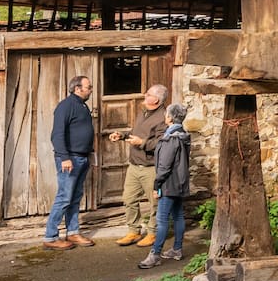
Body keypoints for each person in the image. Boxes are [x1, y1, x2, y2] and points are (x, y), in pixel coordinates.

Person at [110, 84, 169, 247]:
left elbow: (162, 143)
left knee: (154, 203)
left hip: (151, 168)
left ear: (155, 99)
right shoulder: (143, 113)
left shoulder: (163, 117)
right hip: (134, 166)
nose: (144, 95)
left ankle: (153, 233)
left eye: (148, 94)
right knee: (129, 199)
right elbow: (136, 134)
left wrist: (142, 143)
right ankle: (133, 231)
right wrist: (122, 135)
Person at [43, 75, 96, 250]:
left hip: (82, 157)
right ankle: (51, 237)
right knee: (64, 198)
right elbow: (57, 134)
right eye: (89, 87)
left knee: (75, 198)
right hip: (69, 158)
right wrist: (64, 157)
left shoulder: (83, 105)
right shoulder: (65, 106)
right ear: (77, 88)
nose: (91, 90)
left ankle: (72, 232)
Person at [139, 103, 192, 269]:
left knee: (162, 220)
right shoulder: (182, 134)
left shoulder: (171, 139)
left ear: (170, 117)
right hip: (179, 181)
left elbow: (165, 166)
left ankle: (155, 254)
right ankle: (177, 249)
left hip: (169, 183)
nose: (165, 117)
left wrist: (157, 184)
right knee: (177, 216)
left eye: (166, 114)